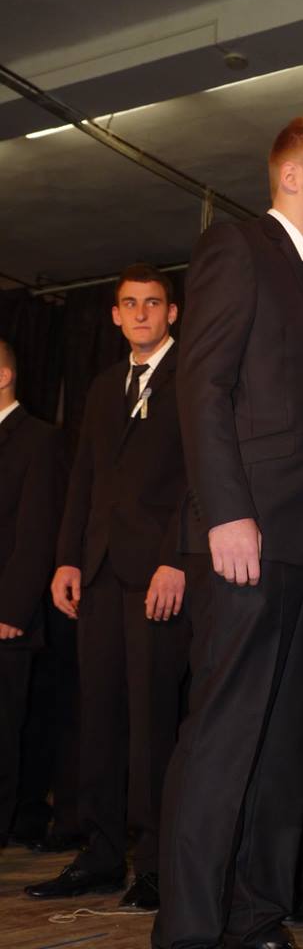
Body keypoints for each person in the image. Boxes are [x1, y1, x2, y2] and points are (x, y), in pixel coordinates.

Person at [152, 115, 303, 949]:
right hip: (248, 530)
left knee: (285, 741)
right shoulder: (237, 248)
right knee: (224, 736)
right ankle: (189, 930)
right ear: (292, 177)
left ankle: (257, 918)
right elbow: (201, 387)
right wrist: (226, 511)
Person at [26, 264, 191, 911]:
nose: (141, 313)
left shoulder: (193, 378)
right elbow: (84, 479)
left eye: (153, 302)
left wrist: (176, 559)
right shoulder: (101, 386)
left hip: (158, 576)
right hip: (97, 574)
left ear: (172, 312)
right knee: (97, 718)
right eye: (130, 304)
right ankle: (99, 854)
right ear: (116, 316)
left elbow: (200, 479)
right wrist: (67, 559)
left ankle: (154, 863)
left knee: (152, 723)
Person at [0, 340, 64, 847]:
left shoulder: (39, 439)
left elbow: (36, 532)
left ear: (3, 376)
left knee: (4, 729)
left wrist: (13, 608)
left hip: (7, 614)